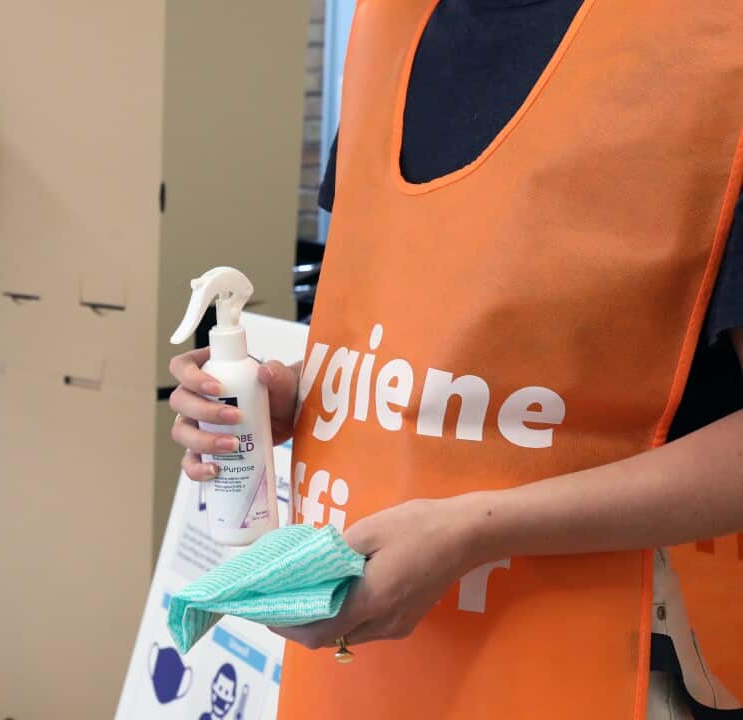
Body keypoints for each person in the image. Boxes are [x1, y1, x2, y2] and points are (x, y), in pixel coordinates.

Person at [169, 1, 743, 718]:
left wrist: (477, 529)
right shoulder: (391, 25)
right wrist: (305, 398)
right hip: (363, 677)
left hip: (597, 668)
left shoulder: (714, 42)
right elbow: (417, 329)